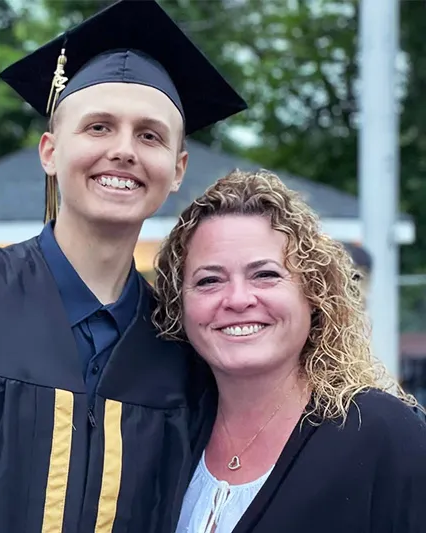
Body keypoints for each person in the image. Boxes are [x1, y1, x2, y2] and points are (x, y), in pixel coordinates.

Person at [0, 1, 247, 532]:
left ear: (178, 169)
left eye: (150, 135)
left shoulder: (180, 343)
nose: (124, 150)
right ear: (49, 151)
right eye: (98, 127)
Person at [152, 169, 426, 533]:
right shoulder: (165, 435)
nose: (237, 299)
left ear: (314, 295)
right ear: (179, 306)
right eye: (209, 280)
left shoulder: (382, 433)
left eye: (265, 274)